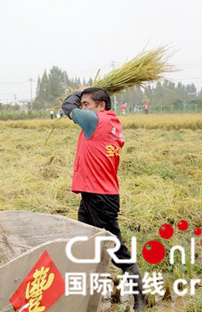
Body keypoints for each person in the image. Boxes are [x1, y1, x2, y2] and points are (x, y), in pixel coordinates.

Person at [62, 88, 147, 311]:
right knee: (87, 241)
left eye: (87, 104)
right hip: (95, 193)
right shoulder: (112, 123)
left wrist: (77, 93)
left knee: (114, 247)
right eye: (83, 105)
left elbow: (66, 107)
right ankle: (90, 289)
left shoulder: (94, 119)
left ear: (101, 105)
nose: (83, 109)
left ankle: (140, 295)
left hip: (100, 196)